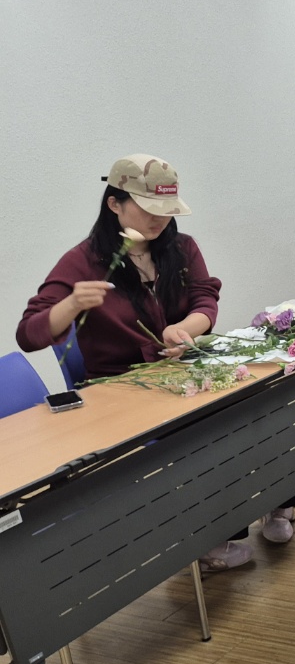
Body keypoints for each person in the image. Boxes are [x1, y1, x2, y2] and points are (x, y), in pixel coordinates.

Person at [15, 154, 272, 571]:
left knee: (259, 402)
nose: (159, 220)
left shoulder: (181, 248)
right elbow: (29, 335)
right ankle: (212, 535)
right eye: (148, 208)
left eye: (167, 211)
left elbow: (205, 298)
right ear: (114, 204)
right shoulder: (83, 261)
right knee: (203, 431)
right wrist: (71, 304)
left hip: (181, 372)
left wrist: (186, 328)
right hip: (123, 389)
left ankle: (278, 496)